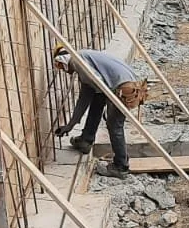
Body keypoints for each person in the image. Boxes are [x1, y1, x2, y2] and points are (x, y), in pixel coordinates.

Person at [52, 46, 142, 177]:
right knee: (97, 100)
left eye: (60, 67)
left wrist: (70, 125)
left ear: (62, 60)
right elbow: (89, 95)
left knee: (114, 125)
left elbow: (92, 89)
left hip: (125, 88)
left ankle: (121, 166)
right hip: (126, 83)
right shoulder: (83, 59)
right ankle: (85, 140)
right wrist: (71, 124)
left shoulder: (77, 62)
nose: (64, 71)